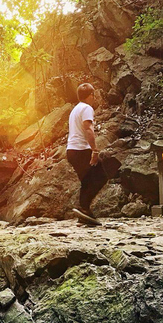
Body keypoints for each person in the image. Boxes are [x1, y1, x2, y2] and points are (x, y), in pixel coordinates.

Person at [66, 83, 106, 226]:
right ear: (90, 96)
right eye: (93, 95)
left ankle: (84, 212)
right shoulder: (87, 108)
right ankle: (83, 208)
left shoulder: (75, 109)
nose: (94, 98)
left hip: (71, 150)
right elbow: (88, 128)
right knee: (102, 174)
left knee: (87, 180)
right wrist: (94, 150)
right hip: (81, 150)